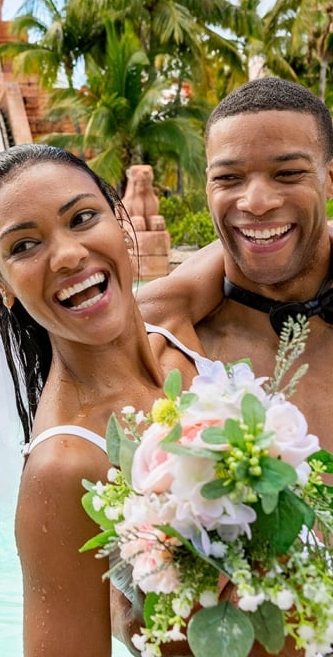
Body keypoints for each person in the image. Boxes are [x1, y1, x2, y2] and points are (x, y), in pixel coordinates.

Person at [0, 143, 205, 657]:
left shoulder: (177, 318)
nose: (67, 255)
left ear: (119, 219)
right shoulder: (64, 468)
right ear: (3, 286)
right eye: (24, 246)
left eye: (83, 217)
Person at [137, 75, 333, 452]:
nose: (256, 202)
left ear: (329, 180)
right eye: (228, 178)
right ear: (208, 188)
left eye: (288, 173)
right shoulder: (172, 355)